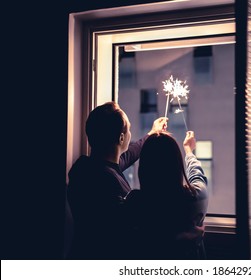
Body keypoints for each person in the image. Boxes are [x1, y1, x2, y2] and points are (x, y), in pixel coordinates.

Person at [66, 101, 167, 259]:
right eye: (129, 130)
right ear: (121, 138)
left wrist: (152, 134)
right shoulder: (107, 182)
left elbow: (129, 154)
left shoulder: (87, 168)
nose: (130, 135)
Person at [127, 130, 208, 259]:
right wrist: (188, 151)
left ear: (144, 168)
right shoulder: (194, 198)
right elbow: (197, 176)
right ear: (177, 164)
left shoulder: (134, 203)